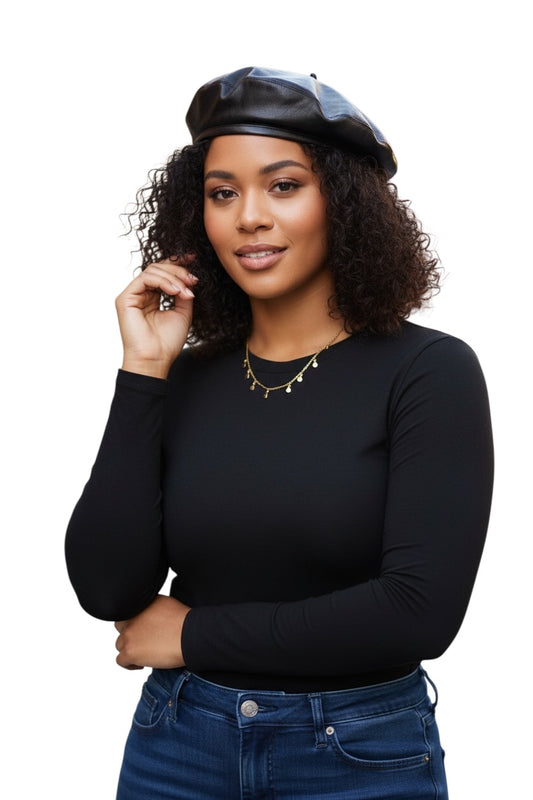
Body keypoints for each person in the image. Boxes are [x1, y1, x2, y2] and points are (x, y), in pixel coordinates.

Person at [65, 67, 493, 799]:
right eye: (222, 193)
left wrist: (192, 635)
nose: (249, 217)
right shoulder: (186, 376)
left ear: (344, 203)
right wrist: (143, 371)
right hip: (178, 745)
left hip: (356, 757)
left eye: (283, 186)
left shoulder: (428, 371)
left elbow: (418, 613)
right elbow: (108, 588)